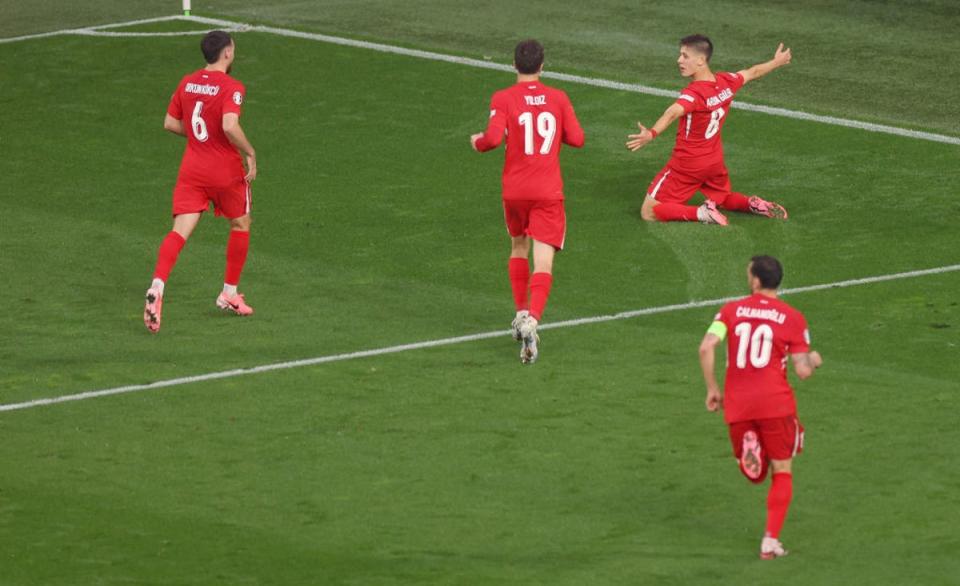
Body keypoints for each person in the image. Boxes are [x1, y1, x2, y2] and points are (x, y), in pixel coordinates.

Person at [698, 255, 823, 559]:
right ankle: (770, 541)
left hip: (738, 406)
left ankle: (749, 451)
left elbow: (706, 347)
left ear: (755, 280)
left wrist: (713, 388)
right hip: (775, 404)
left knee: (754, 472)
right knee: (781, 471)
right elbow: (803, 370)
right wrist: (815, 360)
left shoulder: (729, 311)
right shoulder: (792, 317)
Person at [471, 39, 585, 364]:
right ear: (542, 66)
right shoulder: (558, 98)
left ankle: (521, 313)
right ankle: (533, 318)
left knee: (517, 248)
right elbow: (577, 139)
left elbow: (492, 139)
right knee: (544, 262)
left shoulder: (503, 98)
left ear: (513, 65)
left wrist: (477, 142)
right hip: (548, 192)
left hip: (515, 191)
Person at [143, 30, 258, 333]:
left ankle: (158, 285)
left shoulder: (187, 81)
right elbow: (229, 125)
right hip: (224, 171)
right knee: (241, 223)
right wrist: (250, 152)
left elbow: (169, 122)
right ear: (227, 53)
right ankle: (229, 292)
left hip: (192, 169)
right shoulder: (233, 86)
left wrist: (198, 135)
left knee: (178, 233)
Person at [626, 35, 791, 225]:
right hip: (714, 161)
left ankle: (702, 213)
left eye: (685, 56)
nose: (679, 60)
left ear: (701, 60)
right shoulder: (726, 82)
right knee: (721, 196)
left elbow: (672, 112)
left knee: (650, 212)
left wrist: (651, 133)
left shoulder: (694, 94)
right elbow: (752, 72)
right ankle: (752, 204)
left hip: (688, 164)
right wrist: (777, 62)